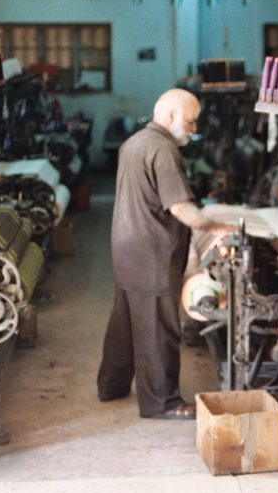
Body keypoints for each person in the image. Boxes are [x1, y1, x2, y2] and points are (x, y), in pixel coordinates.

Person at [97, 88, 231, 420]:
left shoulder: (135, 143)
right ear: (170, 115)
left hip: (127, 247)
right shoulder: (162, 149)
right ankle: (163, 402)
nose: (193, 128)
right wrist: (215, 228)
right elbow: (179, 207)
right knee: (158, 328)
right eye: (190, 120)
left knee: (125, 321)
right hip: (152, 253)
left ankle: (110, 385)